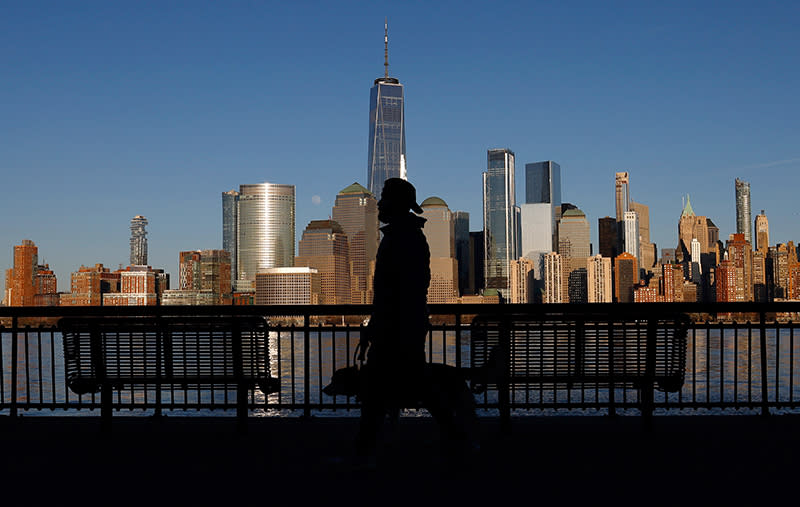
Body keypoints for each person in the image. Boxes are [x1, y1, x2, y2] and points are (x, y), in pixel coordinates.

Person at [355, 178, 431, 458]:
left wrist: (380, 326)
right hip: (399, 327)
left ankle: (364, 454)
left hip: (397, 330)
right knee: (408, 387)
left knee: (379, 392)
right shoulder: (403, 236)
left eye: (384, 198)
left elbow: (399, 291)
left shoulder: (403, 238)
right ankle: (460, 441)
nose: (379, 204)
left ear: (396, 204)